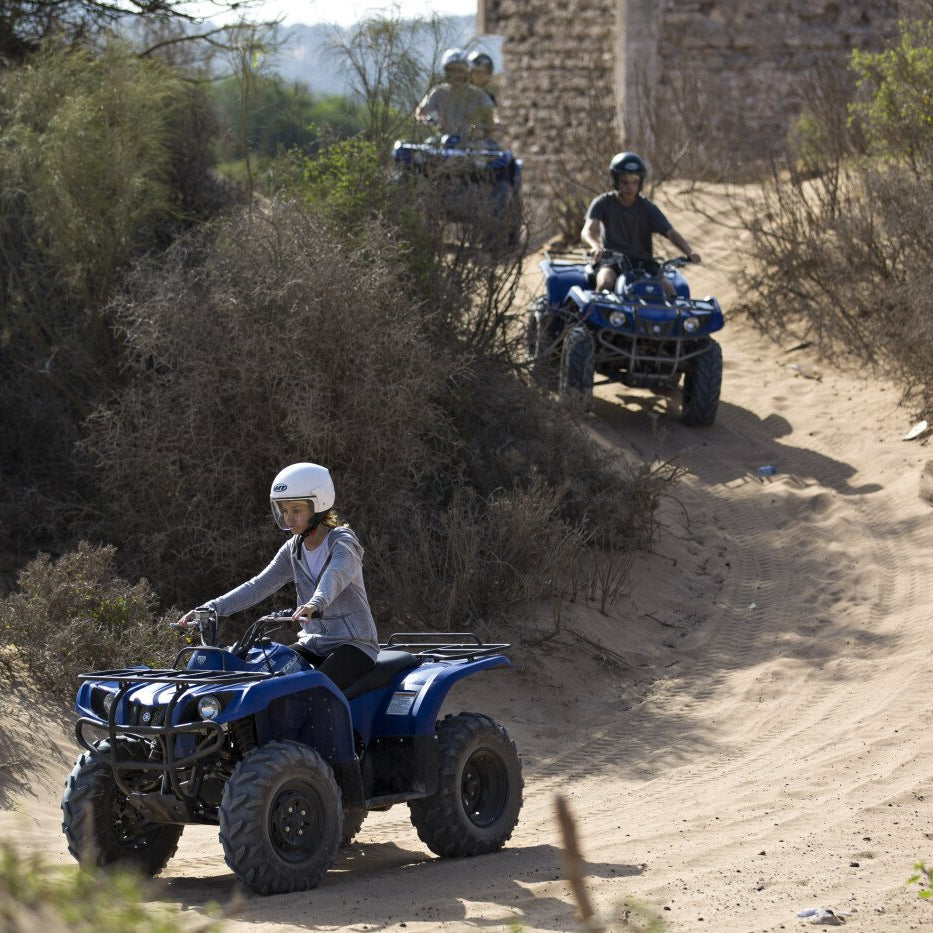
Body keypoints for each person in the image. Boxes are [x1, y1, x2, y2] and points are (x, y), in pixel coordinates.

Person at [175, 462, 378, 691]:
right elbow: (258, 585)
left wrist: (314, 604)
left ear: (318, 505)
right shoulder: (293, 549)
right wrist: (211, 608)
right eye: (284, 510)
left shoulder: (343, 542)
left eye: (296, 510)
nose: (288, 518)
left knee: (314, 690)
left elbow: (335, 575)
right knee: (268, 679)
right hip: (312, 643)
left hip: (354, 645)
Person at [581, 152, 701, 296]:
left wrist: (689, 251)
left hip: (643, 263)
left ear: (640, 182)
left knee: (671, 293)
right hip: (612, 260)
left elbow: (670, 232)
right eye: (625, 182)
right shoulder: (603, 202)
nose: (630, 187)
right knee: (605, 283)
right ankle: (596, 316)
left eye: (635, 182)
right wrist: (594, 246)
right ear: (616, 181)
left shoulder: (647, 207)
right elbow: (587, 231)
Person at [415, 47, 495, 140]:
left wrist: (477, 128)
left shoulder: (479, 94)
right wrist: (428, 121)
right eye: (452, 70)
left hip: (471, 144)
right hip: (443, 141)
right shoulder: (438, 91)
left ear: (467, 72)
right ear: (446, 72)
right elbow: (421, 111)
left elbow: (490, 120)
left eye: (460, 71)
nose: (456, 75)